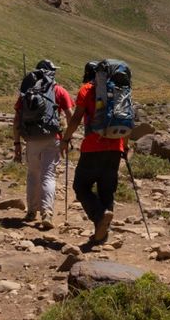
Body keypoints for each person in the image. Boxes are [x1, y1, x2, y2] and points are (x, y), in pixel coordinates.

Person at [60, 61, 127, 248]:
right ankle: (102, 234)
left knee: (80, 186)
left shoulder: (87, 90)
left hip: (92, 147)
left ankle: (99, 217)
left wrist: (65, 140)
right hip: (116, 147)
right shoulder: (120, 89)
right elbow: (126, 122)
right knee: (107, 191)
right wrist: (125, 147)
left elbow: (75, 118)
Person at [13, 59, 74, 230]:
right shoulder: (59, 90)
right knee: (48, 175)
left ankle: (31, 211)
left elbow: (17, 119)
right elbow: (71, 116)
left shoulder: (26, 92)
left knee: (33, 174)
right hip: (52, 137)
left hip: (31, 139)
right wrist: (68, 138)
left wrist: (16, 143)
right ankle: (47, 212)